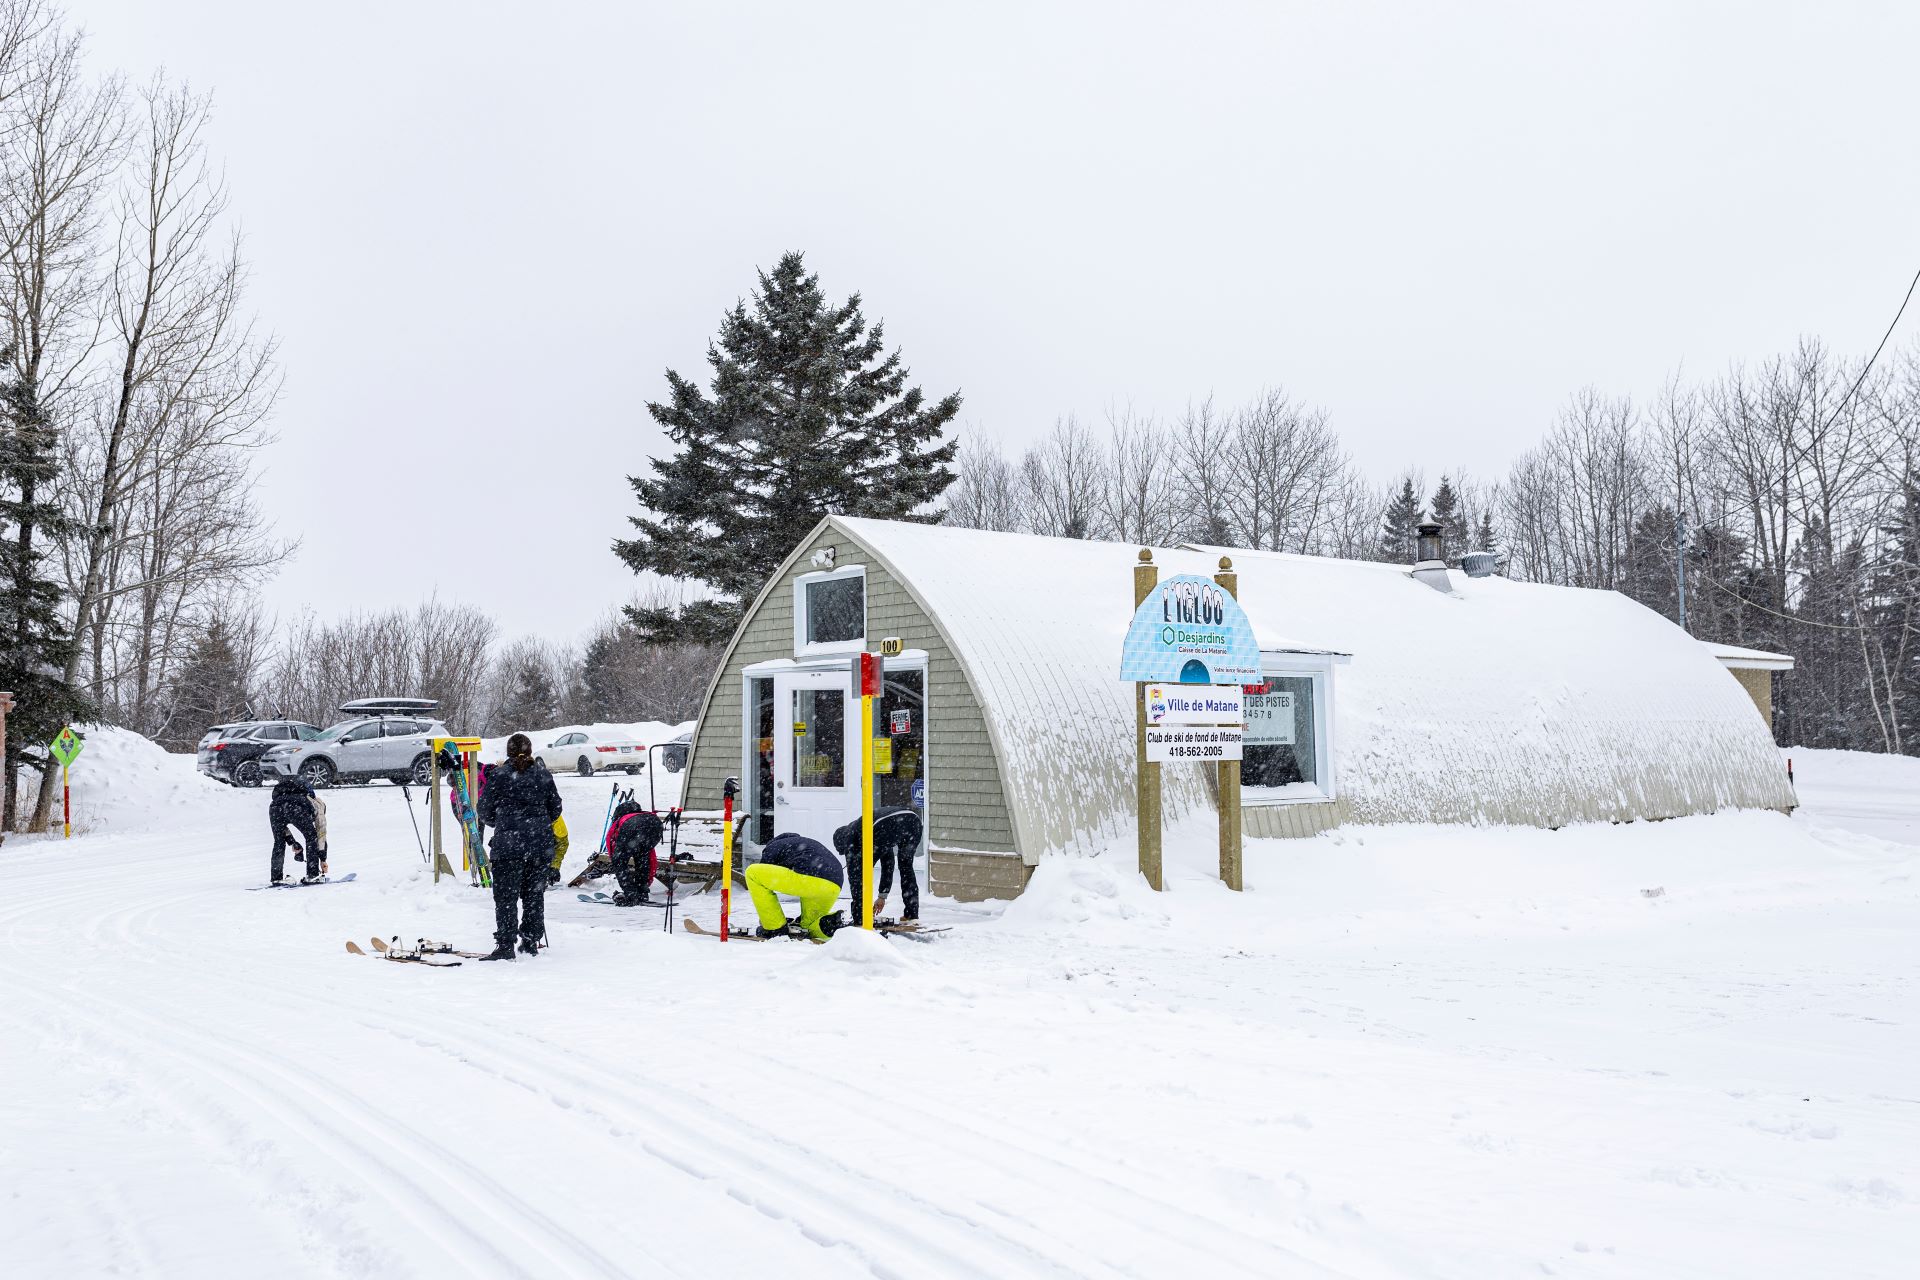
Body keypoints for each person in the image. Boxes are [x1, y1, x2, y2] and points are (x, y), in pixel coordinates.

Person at [475, 733, 563, 960]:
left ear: (508, 752)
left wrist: (501, 822)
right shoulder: (543, 775)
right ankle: (531, 941)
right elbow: (556, 808)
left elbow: (484, 810)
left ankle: (505, 944)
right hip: (539, 846)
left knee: (506, 897)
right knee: (534, 895)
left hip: (508, 846)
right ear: (530, 751)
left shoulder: (499, 776)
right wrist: (538, 823)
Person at [745, 832, 847, 941]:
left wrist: (767, 917)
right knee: (808, 926)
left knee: (753, 873)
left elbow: (764, 877)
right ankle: (832, 924)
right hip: (833, 885)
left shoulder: (773, 846)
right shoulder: (804, 844)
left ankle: (774, 928)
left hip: (810, 878)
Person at [834, 807, 922, 924]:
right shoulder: (863, 831)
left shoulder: (851, 837)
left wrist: (859, 913)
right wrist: (882, 896)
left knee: (859, 874)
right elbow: (888, 865)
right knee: (906, 867)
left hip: (887, 823)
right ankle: (912, 916)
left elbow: (855, 879)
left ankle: (862, 919)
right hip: (913, 820)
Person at [603, 800, 664, 906]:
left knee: (620, 863)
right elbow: (651, 858)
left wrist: (615, 860)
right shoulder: (643, 815)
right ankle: (642, 893)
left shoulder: (621, 820)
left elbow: (609, 840)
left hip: (632, 829)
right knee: (642, 858)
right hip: (655, 824)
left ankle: (631, 895)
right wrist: (647, 883)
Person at [267, 775, 323, 885]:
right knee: (311, 837)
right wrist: (323, 859)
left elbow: (282, 829)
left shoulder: (287, 796)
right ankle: (313, 875)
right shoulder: (319, 805)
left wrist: (293, 842)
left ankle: (276, 878)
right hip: (296, 807)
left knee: (279, 842)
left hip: (274, 807)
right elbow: (321, 834)